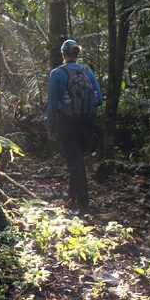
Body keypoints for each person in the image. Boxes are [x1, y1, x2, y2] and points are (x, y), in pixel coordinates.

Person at [46, 39, 103, 215]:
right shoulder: (87, 71)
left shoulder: (57, 73)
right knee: (77, 160)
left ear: (63, 54)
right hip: (88, 122)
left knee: (75, 163)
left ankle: (84, 206)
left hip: (67, 123)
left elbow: (52, 104)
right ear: (77, 54)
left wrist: (51, 127)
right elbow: (99, 100)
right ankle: (71, 198)